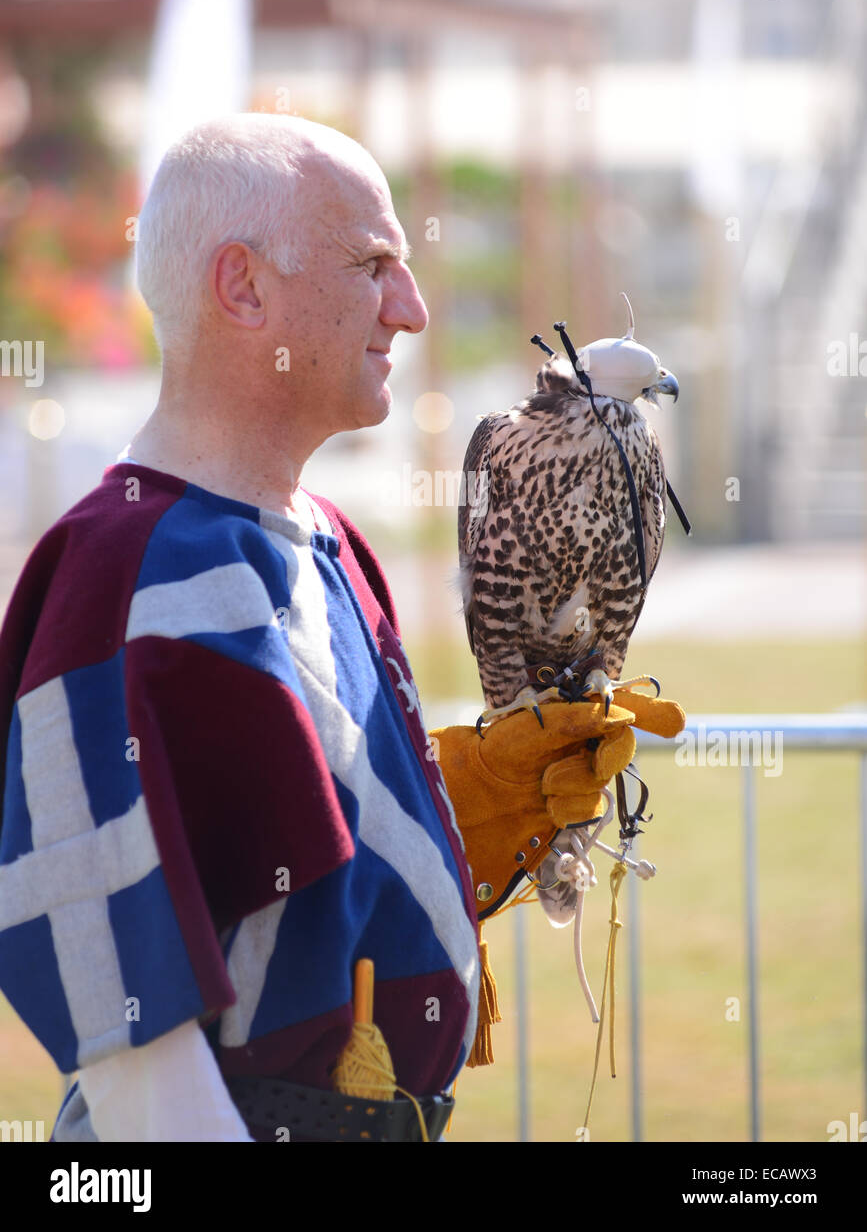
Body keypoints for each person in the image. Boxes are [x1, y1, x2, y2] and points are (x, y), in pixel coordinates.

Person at [0, 113, 649, 1143]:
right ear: (244, 287)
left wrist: (455, 822)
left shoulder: (327, 537)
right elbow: (118, 1009)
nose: (414, 307)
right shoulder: (120, 569)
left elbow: (277, 878)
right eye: (373, 262)